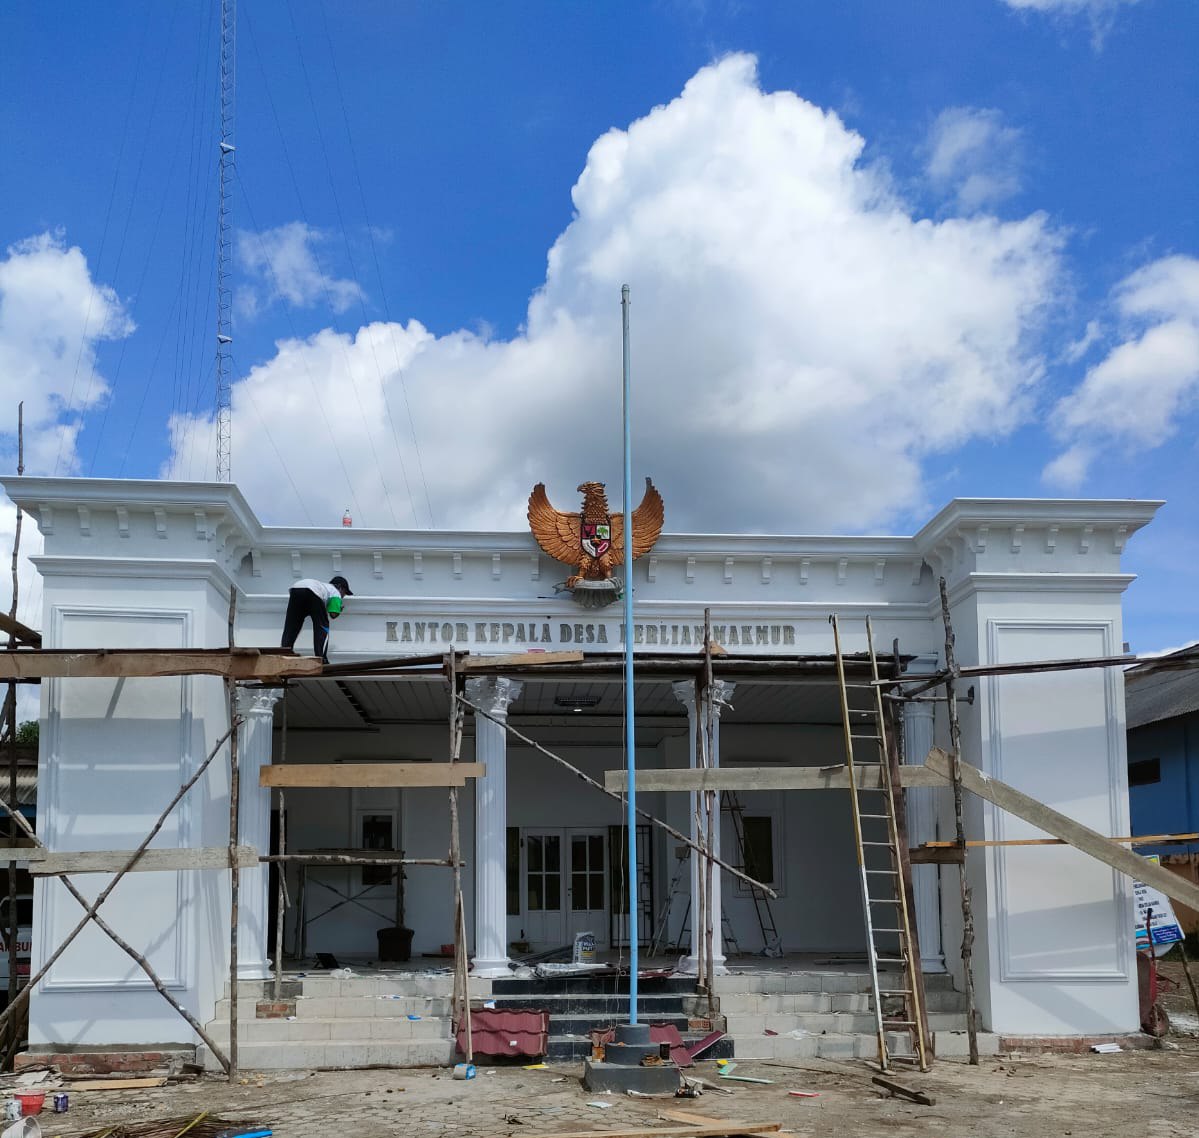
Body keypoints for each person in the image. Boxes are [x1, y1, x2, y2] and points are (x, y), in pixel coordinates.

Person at [281, 576, 352, 663]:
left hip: (296, 589)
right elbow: (333, 614)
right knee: (322, 626)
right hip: (313, 592)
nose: (343, 596)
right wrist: (339, 609)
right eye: (344, 593)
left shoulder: (324, 587)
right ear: (340, 588)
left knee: (291, 625)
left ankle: (284, 653)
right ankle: (321, 658)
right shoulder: (335, 592)